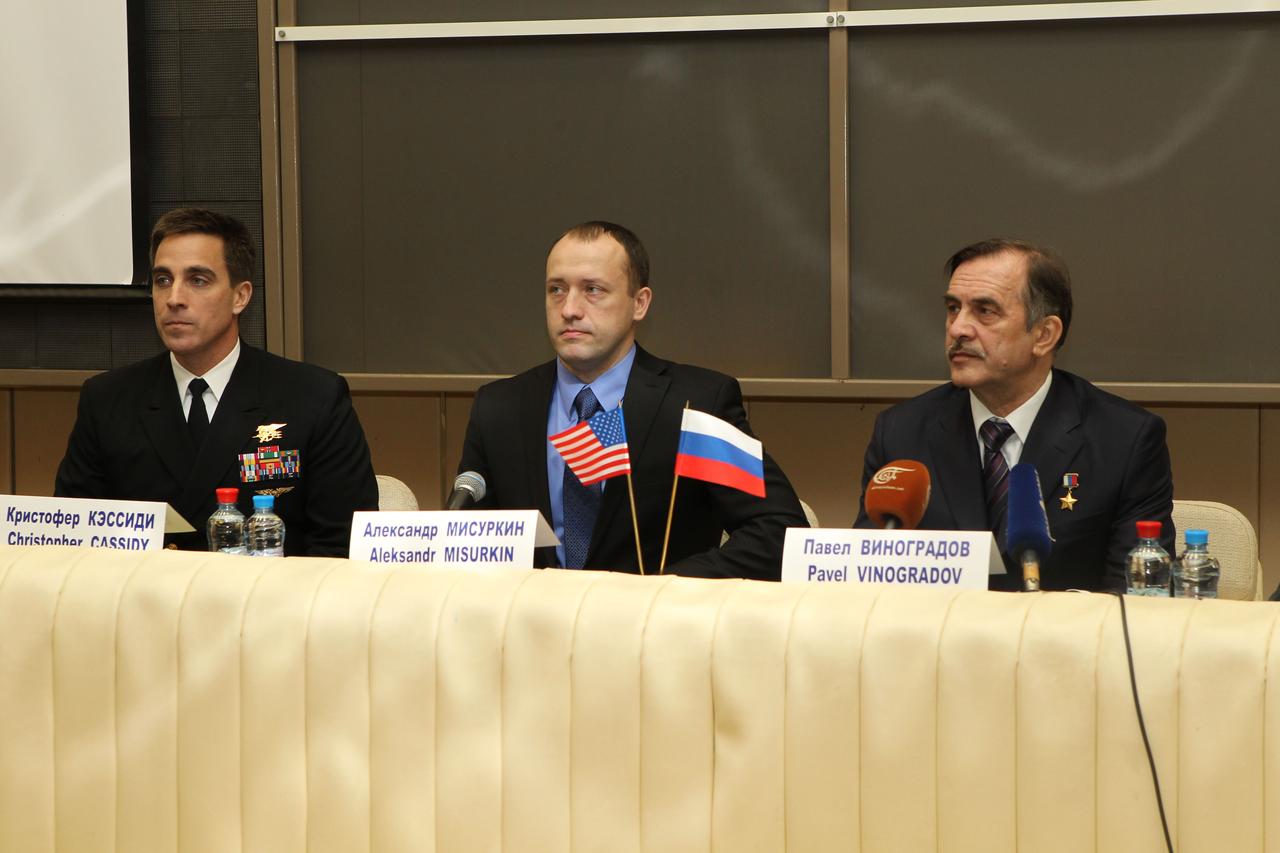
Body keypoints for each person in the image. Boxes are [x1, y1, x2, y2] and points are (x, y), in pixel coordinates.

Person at [457, 221, 807, 579]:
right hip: (534, 630)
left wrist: (663, 589)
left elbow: (779, 533)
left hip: (651, 627)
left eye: (592, 289)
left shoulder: (695, 405)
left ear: (639, 303)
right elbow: (469, 545)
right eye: (556, 290)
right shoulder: (498, 408)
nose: (569, 309)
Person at [854, 238, 1174, 591]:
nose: (958, 328)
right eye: (952, 308)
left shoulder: (1124, 439)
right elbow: (871, 580)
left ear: (1044, 335)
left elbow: (1136, 602)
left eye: (985, 311)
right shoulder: (902, 432)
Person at [55, 208, 377, 555]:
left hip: (266, 604)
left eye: (198, 280)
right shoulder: (107, 400)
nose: (174, 298)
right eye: (163, 280)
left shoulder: (313, 398)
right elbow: (76, 541)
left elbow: (342, 549)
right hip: (144, 602)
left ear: (240, 296)